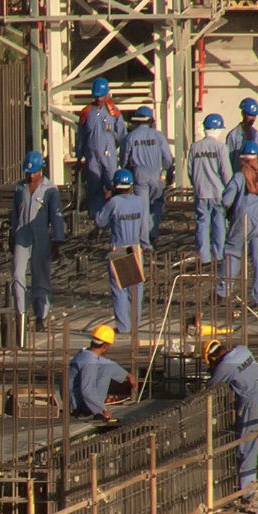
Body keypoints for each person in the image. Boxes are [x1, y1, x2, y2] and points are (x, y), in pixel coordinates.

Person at [204, 339, 258, 514]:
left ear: (212, 358)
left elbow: (210, 387)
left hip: (251, 406)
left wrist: (212, 371)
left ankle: (247, 494)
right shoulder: (243, 350)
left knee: (247, 447)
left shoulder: (224, 367)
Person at [9, 150, 65, 331]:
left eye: (33, 172)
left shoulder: (50, 190)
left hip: (41, 238)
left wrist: (58, 240)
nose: (30, 176)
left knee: (40, 276)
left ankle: (41, 314)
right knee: (17, 274)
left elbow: (56, 216)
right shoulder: (20, 188)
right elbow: (15, 213)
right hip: (22, 236)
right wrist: (12, 235)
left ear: (41, 170)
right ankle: (21, 313)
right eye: (28, 172)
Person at [219, 141, 258, 307]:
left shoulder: (239, 176)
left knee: (232, 253)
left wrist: (226, 211)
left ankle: (223, 292)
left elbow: (226, 201)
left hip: (243, 221)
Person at [93, 168, 150, 334]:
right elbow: (144, 225)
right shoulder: (139, 201)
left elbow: (100, 221)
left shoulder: (114, 203)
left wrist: (103, 200)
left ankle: (124, 327)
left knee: (119, 289)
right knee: (136, 288)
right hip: (136, 247)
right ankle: (134, 324)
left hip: (119, 247)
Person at [120, 105, 174, 243]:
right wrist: (167, 174)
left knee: (142, 210)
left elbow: (124, 160)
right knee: (156, 205)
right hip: (156, 176)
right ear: (150, 120)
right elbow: (168, 159)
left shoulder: (130, 137)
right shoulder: (158, 136)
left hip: (139, 177)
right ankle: (153, 233)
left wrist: (128, 174)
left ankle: (144, 243)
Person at [76, 77, 127, 220]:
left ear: (107, 94)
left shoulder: (114, 112)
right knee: (93, 186)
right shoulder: (86, 112)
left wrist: (125, 157)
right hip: (92, 156)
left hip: (109, 156)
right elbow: (81, 136)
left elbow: (122, 135)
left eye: (101, 96)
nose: (99, 99)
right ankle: (96, 218)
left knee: (113, 184)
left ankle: (115, 214)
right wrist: (79, 157)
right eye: (96, 96)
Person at [187, 113, 233, 266]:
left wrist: (197, 185)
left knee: (202, 224)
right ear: (218, 129)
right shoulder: (220, 147)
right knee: (219, 224)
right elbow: (226, 173)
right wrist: (230, 191)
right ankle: (219, 256)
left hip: (201, 192)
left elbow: (190, 171)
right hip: (218, 193)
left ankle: (204, 257)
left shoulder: (195, 147)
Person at [68, 325, 134, 422]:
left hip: (72, 396)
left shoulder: (84, 353)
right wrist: (103, 409)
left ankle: (92, 408)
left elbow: (106, 363)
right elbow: (87, 390)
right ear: (105, 346)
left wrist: (128, 375)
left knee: (107, 367)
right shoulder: (89, 363)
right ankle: (91, 412)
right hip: (78, 403)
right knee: (105, 372)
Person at [226, 97, 258, 172]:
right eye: (250, 115)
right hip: (239, 177)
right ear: (243, 114)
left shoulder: (256, 134)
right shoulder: (233, 135)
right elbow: (228, 161)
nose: (253, 119)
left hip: (253, 177)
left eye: (254, 116)